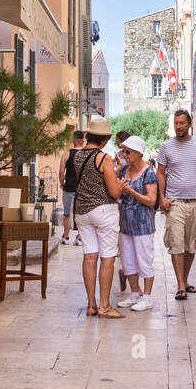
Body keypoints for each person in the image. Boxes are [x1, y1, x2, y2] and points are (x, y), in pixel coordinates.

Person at [73, 117, 127, 318]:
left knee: (89, 256)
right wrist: (120, 184)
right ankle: (105, 306)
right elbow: (113, 192)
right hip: (103, 211)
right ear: (104, 139)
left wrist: (115, 172)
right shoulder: (103, 158)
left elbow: (89, 179)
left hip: (83, 211)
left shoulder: (78, 156)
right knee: (107, 257)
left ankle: (91, 304)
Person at [156, 109, 196, 300]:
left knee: (191, 245)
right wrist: (161, 198)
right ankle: (180, 284)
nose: (178, 127)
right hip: (175, 202)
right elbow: (160, 173)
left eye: (182, 123)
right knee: (177, 244)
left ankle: (185, 281)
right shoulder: (166, 147)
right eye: (176, 123)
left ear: (189, 124)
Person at [115, 135, 158, 311]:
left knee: (144, 260)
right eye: (123, 151)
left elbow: (151, 200)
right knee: (128, 261)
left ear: (138, 153)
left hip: (143, 223)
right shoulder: (123, 170)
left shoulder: (149, 173)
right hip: (125, 222)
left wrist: (131, 191)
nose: (124, 154)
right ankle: (134, 294)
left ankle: (147, 297)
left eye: (128, 152)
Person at [59, 130, 86, 245]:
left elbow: (61, 171)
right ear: (82, 141)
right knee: (81, 214)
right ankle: (79, 238)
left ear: (73, 141)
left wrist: (61, 183)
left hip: (69, 187)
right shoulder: (86, 155)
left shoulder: (67, 154)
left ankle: (66, 237)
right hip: (82, 189)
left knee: (67, 213)